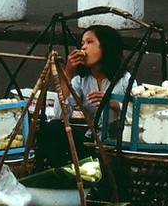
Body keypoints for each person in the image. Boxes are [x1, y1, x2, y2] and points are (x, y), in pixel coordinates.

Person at [39, 24, 132, 167]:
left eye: (90, 42)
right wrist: (68, 73)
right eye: (82, 43)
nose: (83, 48)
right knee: (53, 128)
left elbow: (137, 116)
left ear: (106, 46)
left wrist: (113, 104)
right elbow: (60, 114)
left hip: (118, 145)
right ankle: (61, 175)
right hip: (91, 143)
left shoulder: (125, 80)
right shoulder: (81, 80)